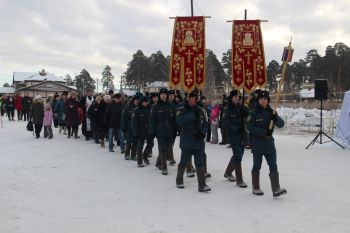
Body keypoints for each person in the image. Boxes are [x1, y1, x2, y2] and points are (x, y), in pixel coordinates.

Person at [247, 90, 287, 197]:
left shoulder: (271, 112)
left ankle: (276, 189)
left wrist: (275, 118)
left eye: (265, 99)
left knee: (273, 165)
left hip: (269, 143)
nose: (263, 101)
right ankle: (256, 187)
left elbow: (281, 124)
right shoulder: (253, 113)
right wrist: (264, 132)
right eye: (261, 99)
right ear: (258, 100)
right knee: (257, 166)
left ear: (268, 100)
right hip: (257, 143)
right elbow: (249, 127)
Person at [175, 90, 211, 192]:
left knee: (199, 163)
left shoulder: (199, 110)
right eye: (191, 98)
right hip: (187, 140)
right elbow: (180, 122)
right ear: (187, 99)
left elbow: (205, 123)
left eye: (195, 99)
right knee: (184, 161)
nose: (193, 100)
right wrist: (191, 116)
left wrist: (203, 132)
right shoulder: (181, 110)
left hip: (198, 140)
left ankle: (202, 184)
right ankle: (179, 180)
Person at [222, 90, 249, 187]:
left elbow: (248, 115)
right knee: (238, 155)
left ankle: (228, 172)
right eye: (235, 97)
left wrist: (246, 111)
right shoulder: (227, 108)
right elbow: (225, 123)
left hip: (242, 135)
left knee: (239, 155)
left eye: (238, 97)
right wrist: (236, 128)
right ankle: (239, 180)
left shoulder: (241, 107)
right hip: (233, 135)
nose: (237, 98)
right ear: (231, 98)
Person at [149, 88, 175, 175]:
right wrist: (152, 132)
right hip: (160, 129)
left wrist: (176, 129)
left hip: (169, 129)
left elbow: (174, 119)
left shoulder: (170, 105)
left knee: (167, 147)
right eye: (162, 94)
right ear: (160, 96)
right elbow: (152, 120)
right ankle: (164, 167)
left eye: (165, 94)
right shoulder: (156, 106)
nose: (163, 96)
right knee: (162, 148)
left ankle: (158, 162)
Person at [132, 95, 151, 167]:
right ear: (141, 102)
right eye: (144, 102)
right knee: (140, 146)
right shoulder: (137, 110)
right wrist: (135, 132)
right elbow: (134, 123)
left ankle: (145, 156)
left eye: (147, 102)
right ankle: (139, 161)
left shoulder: (150, 109)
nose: (146, 103)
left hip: (149, 131)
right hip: (140, 131)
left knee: (150, 144)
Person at [121, 94, 140, 160]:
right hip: (129, 127)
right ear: (133, 100)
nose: (137, 101)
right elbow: (123, 117)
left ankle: (133, 155)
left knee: (135, 142)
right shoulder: (127, 107)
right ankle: (127, 154)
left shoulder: (140, 107)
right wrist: (123, 127)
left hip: (137, 127)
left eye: (138, 100)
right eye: (136, 100)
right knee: (129, 141)